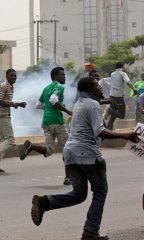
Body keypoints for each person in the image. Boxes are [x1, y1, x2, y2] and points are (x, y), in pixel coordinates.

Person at [30, 76, 139, 240]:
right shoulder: (93, 104)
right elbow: (100, 131)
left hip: (71, 153)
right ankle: (90, 232)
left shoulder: (80, 104)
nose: (100, 88)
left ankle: (46, 202)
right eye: (97, 86)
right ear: (89, 90)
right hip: (87, 153)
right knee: (100, 191)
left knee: (79, 194)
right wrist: (126, 135)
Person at [19, 67, 73, 185]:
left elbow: (38, 105)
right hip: (57, 121)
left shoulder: (46, 88)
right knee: (68, 148)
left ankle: (32, 146)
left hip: (46, 122)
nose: (64, 77)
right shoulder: (59, 86)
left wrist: (50, 107)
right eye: (62, 75)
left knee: (49, 150)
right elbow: (54, 100)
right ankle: (68, 177)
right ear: (55, 77)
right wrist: (67, 111)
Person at [0, 69, 26, 172]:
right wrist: (15, 104)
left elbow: (6, 101)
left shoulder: (10, 87)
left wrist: (16, 104)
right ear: (6, 76)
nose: (13, 78)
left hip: (3, 115)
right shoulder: (4, 86)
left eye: (15, 76)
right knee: (10, 141)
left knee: (3, 141)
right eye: (11, 76)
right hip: (2, 116)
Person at [107, 62, 137, 130]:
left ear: (115, 67)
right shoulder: (123, 73)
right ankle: (109, 110)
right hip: (118, 97)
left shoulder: (112, 74)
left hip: (111, 95)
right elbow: (128, 82)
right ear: (122, 67)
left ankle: (109, 131)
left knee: (113, 117)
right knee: (121, 115)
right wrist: (134, 89)